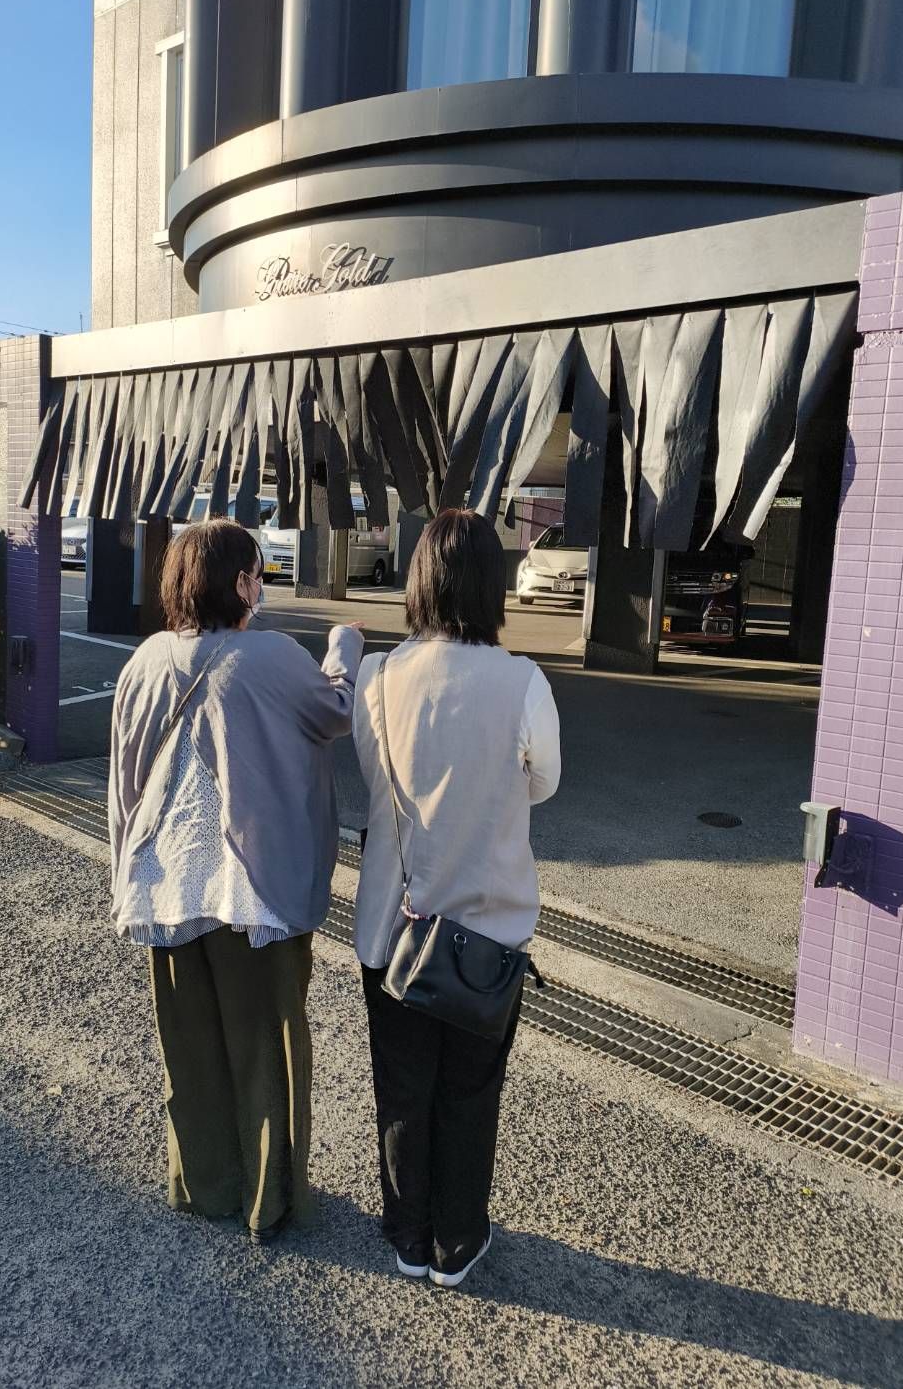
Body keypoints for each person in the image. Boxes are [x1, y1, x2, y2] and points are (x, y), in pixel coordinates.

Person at [108, 520, 363, 1242]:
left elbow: (123, 782)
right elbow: (335, 711)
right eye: (258, 573)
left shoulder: (144, 660)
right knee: (266, 1053)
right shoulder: (272, 657)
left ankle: (204, 1183)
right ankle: (266, 1198)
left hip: (163, 886)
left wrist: (123, 874)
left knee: (189, 1048)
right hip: (254, 893)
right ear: (241, 583)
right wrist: (344, 649)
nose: (261, 586)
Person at [352, 508, 561, 1287]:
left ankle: (408, 1236)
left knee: (402, 1088)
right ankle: (457, 1242)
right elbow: (545, 782)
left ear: (419, 581)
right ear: (491, 586)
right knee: (470, 1092)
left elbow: (374, 776)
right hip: (487, 936)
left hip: (393, 931)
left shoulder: (378, 676)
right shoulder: (525, 682)